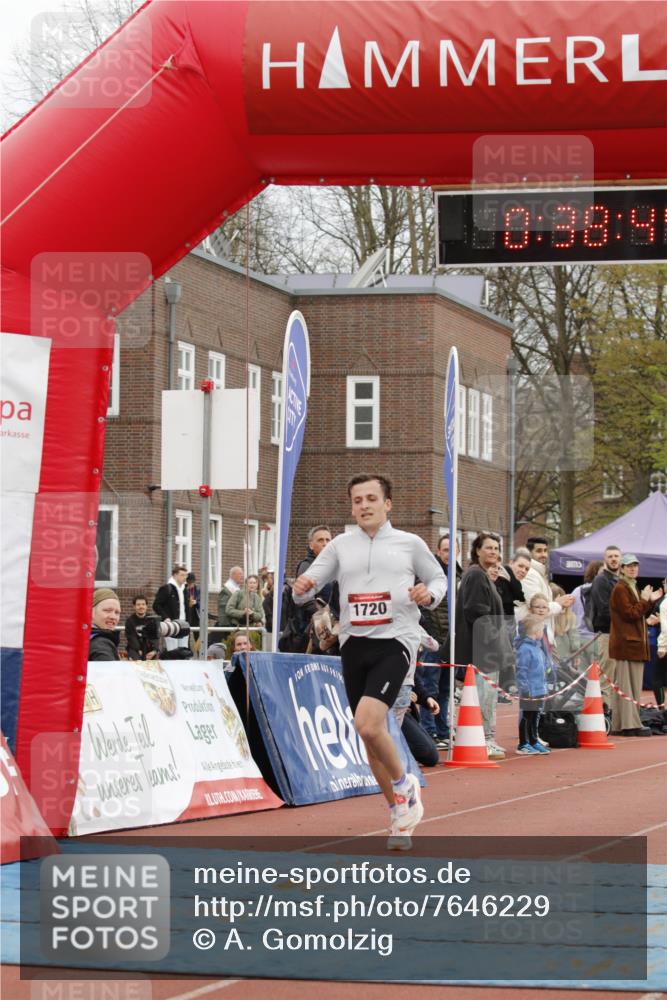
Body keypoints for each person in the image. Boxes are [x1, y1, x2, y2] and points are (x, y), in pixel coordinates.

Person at [293, 473, 446, 850]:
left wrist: (428, 593)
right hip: (354, 644)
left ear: (387, 504)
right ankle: (399, 814)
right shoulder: (342, 546)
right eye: (357, 500)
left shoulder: (409, 544)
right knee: (368, 739)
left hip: (396, 641)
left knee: (368, 722)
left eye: (371, 499)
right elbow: (307, 585)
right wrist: (301, 589)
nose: (364, 505)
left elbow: (439, 579)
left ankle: (403, 783)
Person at [455, 532, 513, 760]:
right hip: (482, 650)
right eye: (489, 548)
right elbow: (475, 611)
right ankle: (484, 739)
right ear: (477, 550)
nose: (494, 552)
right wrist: (494, 640)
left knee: (486, 696)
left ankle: (486, 737)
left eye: (497, 549)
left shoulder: (483, 576)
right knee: (484, 697)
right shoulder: (476, 576)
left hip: (487, 648)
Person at [608, 554, 663, 736]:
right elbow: (630, 614)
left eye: (635, 566)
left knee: (630, 686)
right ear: (622, 569)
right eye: (629, 566)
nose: (632, 569)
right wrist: (646, 600)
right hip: (627, 645)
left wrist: (648, 601)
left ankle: (623, 723)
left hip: (633, 644)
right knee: (627, 686)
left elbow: (636, 614)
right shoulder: (621, 588)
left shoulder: (630, 586)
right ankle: (629, 724)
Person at [417, 533, 457, 750]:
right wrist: (431, 636)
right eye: (446, 550)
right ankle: (429, 730)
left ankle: (443, 729)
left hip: (450, 642)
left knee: (445, 689)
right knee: (429, 687)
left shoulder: (459, 575)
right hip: (435, 641)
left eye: (453, 550)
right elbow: (425, 607)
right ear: (439, 552)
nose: (450, 554)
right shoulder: (432, 575)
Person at [522, 536, 575, 643]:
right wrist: (559, 604)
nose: (544, 554)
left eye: (545, 551)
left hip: (542, 633)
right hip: (535, 635)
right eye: (539, 551)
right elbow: (536, 608)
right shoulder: (530, 574)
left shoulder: (539, 573)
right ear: (529, 553)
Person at [590, 545, 622, 703]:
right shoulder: (601, 580)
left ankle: (613, 716)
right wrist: (627, 619)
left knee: (615, 678)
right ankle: (604, 715)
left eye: (616, 556)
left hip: (618, 635)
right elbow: (604, 609)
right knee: (606, 678)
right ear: (605, 560)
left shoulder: (620, 580)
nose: (614, 559)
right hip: (606, 634)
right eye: (610, 556)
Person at [515, 614, 551, 755]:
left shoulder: (537, 648)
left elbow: (542, 667)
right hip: (529, 690)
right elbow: (521, 670)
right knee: (527, 716)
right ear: (536, 632)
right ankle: (523, 743)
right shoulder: (525, 649)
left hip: (539, 689)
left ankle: (534, 740)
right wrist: (524, 688)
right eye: (542, 630)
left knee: (535, 715)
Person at [153, 563, 190, 650]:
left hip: (184, 624)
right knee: (172, 650)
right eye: (182, 575)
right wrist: (165, 617)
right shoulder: (167, 588)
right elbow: (156, 605)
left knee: (184, 650)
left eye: (186, 575)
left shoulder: (184, 590)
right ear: (175, 575)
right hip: (172, 625)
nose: (185, 577)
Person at [89, 589, 122, 661]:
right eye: (107, 610)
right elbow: (110, 672)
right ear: (90, 612)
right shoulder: (100, 645)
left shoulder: (85, 637)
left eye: (117, 612)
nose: (113, 617)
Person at [124, 594, 154, 660]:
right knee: (137, 662)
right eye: (138, 604)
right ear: (134, 606)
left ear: (146, 606)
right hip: (135, 648)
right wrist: (138, 650)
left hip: (149, 649)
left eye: (143, 604)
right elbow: (131, 638)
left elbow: (155, 637)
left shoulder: (152, 620)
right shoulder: (129, 621)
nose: (141, 606)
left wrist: (154, 651)